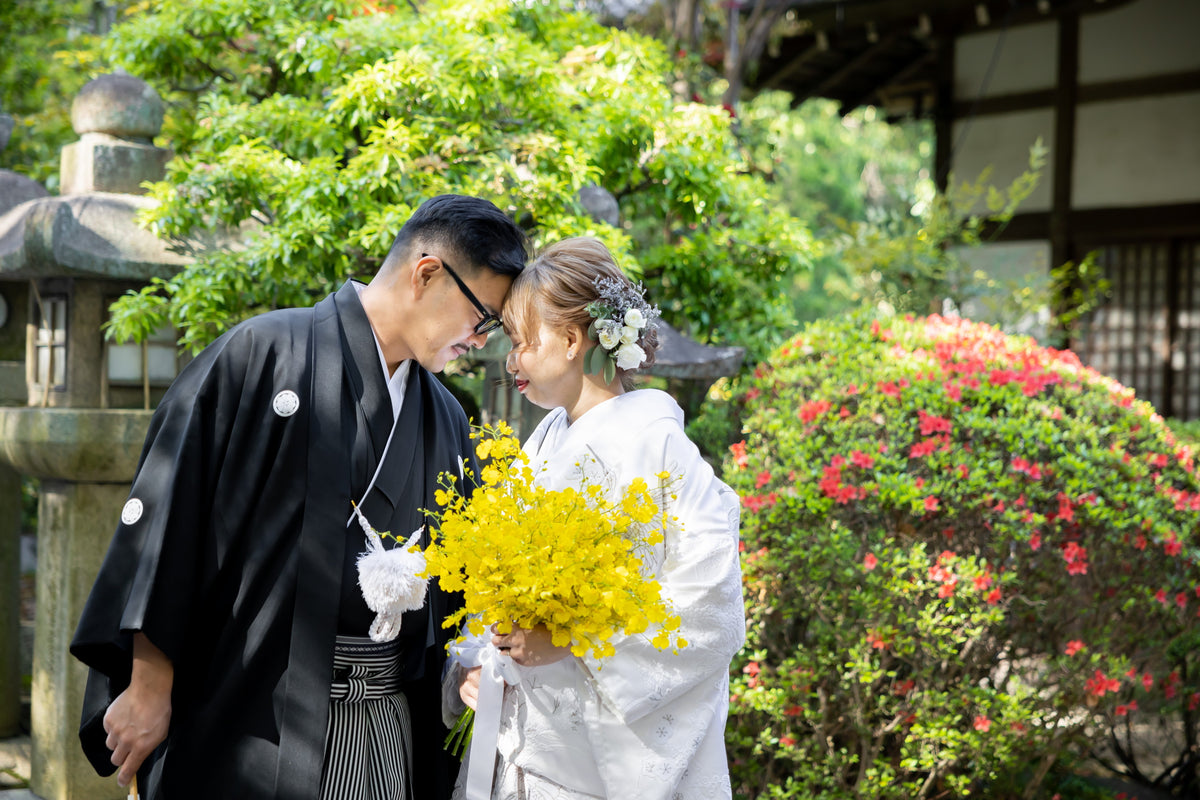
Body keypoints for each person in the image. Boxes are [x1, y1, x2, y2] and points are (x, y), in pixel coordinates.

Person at [70, 194, 528, 800]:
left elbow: (461, 583)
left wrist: (470, 660)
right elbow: (171, 519)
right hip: (253, 713)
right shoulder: (263, 354)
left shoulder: (443, 416)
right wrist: (150, 682)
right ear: (427, 274)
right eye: (483, 318)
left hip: (387, 724)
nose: (481, 340)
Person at [443, 237, 745, 799]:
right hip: (526, 736)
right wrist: (480, 658)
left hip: (599, 760)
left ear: (572, 338)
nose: (510, 359)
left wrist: (572, 637)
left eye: (521, 341)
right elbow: (498, 585)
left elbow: (713, 602)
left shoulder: (657, 444)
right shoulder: (544, 441)